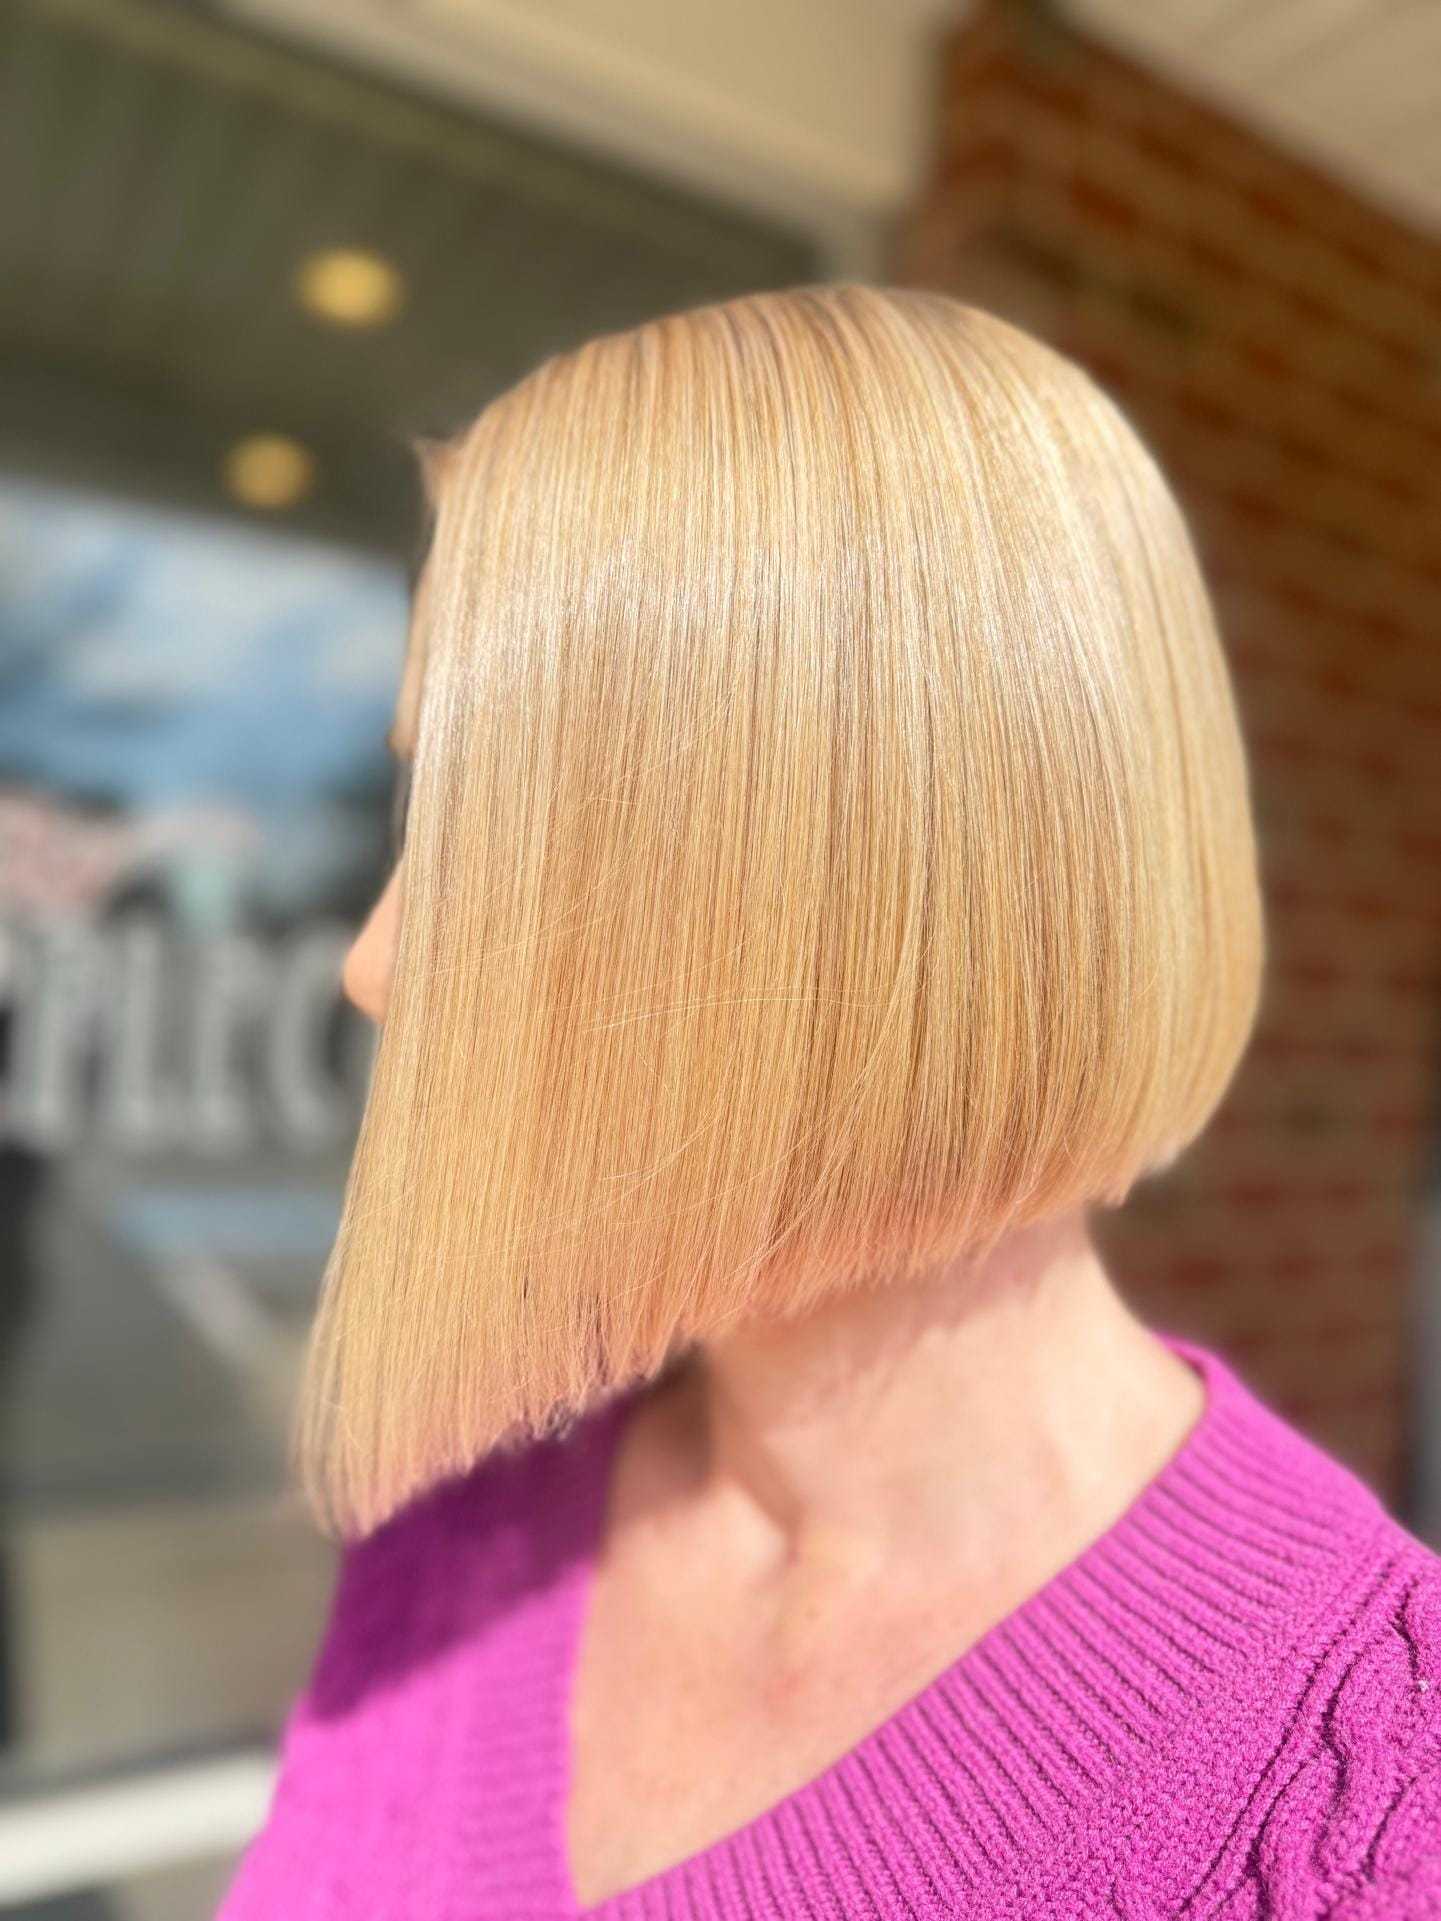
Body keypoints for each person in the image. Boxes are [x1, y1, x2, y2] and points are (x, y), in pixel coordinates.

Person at [216, 285, 1440, 1920]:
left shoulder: (1359, 1804)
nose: (375, 963)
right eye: (419, 821)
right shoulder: (461, 1532)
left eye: (510, 847)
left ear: (858, 889)